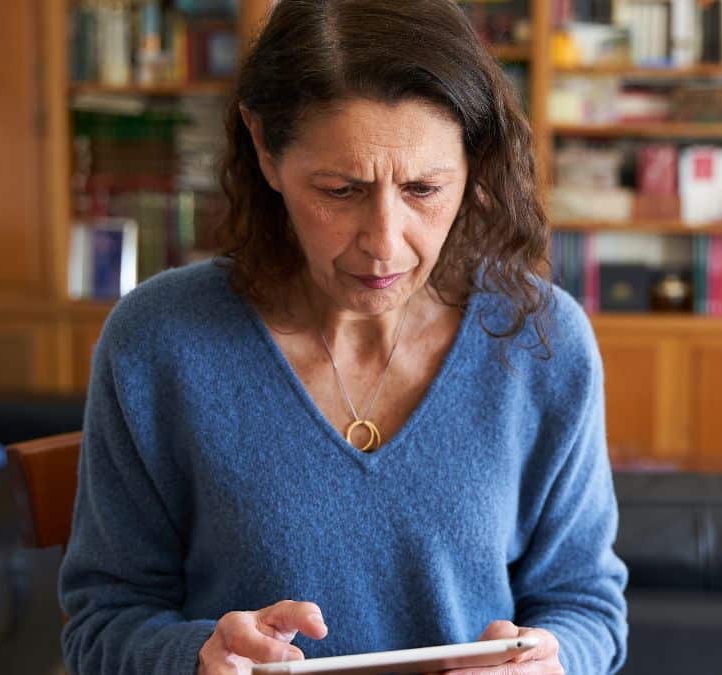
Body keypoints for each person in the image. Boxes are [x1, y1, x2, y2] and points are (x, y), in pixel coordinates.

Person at [58, 1, 628, 673]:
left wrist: (553, 661)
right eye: (339, 189)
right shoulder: (158, 342)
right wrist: (195, 656)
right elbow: (101, 622)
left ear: (473, 168)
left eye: (423, 188)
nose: (384, 243)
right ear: (266, 148)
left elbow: (587, 606)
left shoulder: (541, 341)